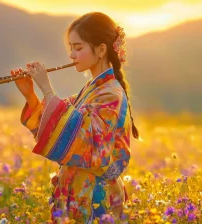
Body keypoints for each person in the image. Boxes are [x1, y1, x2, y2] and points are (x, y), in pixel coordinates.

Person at [10, 12, 140, 223]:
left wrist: (46, 87)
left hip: (95, 198)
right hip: (77, 193)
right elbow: (57, 122)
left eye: (78, 48)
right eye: (70, 47)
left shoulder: (110, 94)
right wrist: (31, 95)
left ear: (101, 50)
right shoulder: (92, 89)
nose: (72, 55)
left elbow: (86, 140)